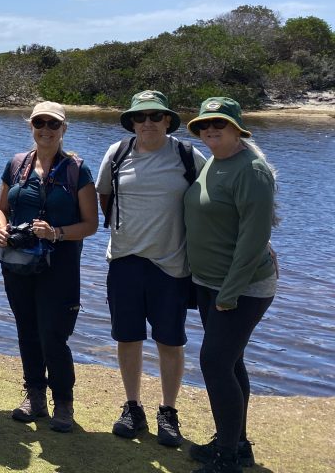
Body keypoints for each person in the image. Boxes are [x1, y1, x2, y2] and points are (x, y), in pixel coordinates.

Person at [96, 90, 206, 446]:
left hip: (172, 265)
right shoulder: (117, 153)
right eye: (140, 117)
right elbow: (104, 196)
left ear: (168, 121)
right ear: (132, 122)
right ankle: (132, 407)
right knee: (127, 338)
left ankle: (168, 412)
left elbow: (214, 198)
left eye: (155, 117)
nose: (147, 123)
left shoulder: (188, 155)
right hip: (125, 262)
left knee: (170, 342)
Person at [183, 98, 278, 473]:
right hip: (209, 282)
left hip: (242, 287)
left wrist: (231, 291)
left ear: (237, 128)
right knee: (231, 362)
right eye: (205, 125)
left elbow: (254, 237)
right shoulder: (212, 164)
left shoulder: (252, 169)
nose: (210, 130)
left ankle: (226, 458)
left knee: (215, 363)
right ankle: (237, 445)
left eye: (219, 124)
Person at [0, 101, 97, 432]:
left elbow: (91, 224)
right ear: (31, 126)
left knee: (53, 335)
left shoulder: (76, 170)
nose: (46, 130)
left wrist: (57, 233)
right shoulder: (16, 164)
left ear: (64, 129)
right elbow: (0, 208)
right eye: (40, 123)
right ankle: (34, 395)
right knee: (27, 330)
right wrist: (1, 229)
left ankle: (63, 402)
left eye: (54, 125)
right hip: (19, 264)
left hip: (60, 267)